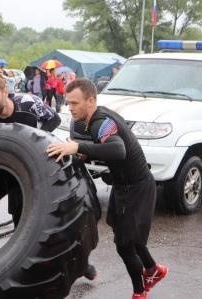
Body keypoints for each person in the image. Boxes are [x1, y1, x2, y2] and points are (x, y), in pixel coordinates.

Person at [46, 78, 168, 299]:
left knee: (125, 244)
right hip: (122, 186)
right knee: (128, 238)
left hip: (138, 188)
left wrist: (77, 146)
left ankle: (139, 293)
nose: (69, 108)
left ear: (91, 101)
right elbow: (96, 149)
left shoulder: (101, 121)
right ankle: (153, 270)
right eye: (68, 102)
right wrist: (80, 151)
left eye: (75, 103)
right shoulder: (83, 122)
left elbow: (117, 149)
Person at [0, 74, 62, 245]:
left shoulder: (28, 102)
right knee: (19, 215)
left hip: (42, 164)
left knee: (49, 213)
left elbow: (54, 119)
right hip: (17, 173)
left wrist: (37, 141)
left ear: (5, 92)